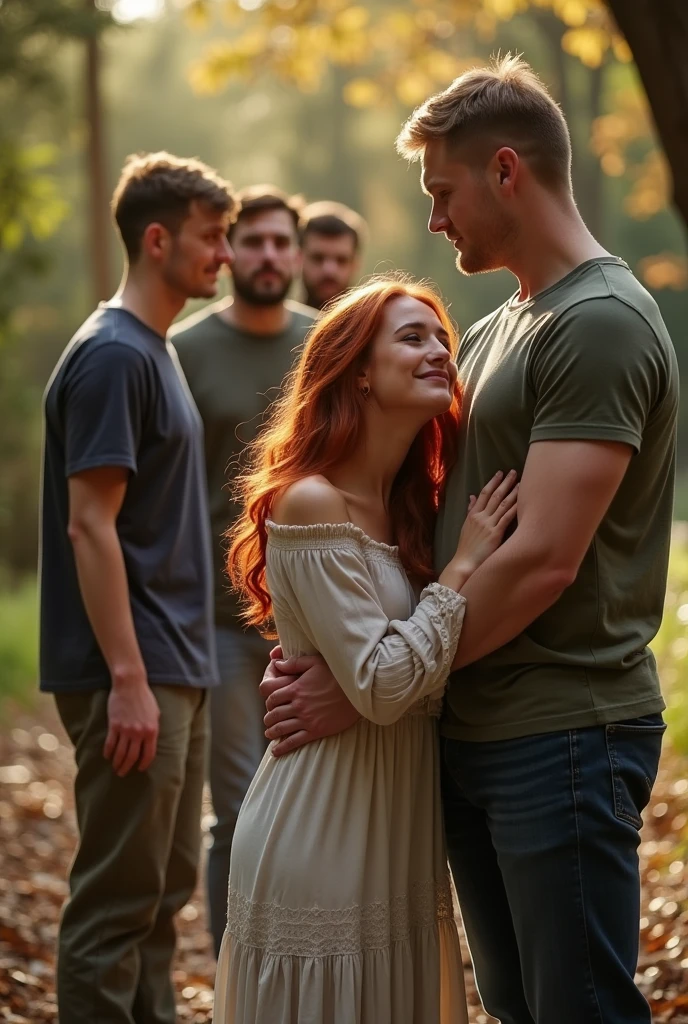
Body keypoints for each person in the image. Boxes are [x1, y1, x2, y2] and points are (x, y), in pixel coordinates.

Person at [258, 56, 679, 1024]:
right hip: (473, 727)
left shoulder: (600, 323)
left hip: (561, 729)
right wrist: (351, 655)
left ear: (504, 171)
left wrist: (377, 689)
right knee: (517, 1006)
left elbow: (541, 557)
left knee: (578, 1007)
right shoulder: (495, 330)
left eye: (442, 192)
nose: (435, 219)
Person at [213, 275, 518, 1023]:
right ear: (356, 370)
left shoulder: (418, 505)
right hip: (323, 826)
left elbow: (409, 679)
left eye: (442, 338)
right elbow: (386, 684)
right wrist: (460, 569)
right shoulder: (313, 501)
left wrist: (363, 690)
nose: (438, 351)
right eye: (412, 337)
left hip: (400, 827)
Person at [39, 151, 236, 1024]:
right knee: (117, 904)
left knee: (161, 893)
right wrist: (125, 676)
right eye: (211, 237)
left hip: (175, 665)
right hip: (137, 668)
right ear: (156, 240)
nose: (223, 256)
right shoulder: (115, 357)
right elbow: (90, 524)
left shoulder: (151, 351)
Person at [172, 185, 317, 955]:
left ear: (296, 254)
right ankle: (237, 971)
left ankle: (303, 960)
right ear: (229, 252)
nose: (266, 256)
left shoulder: (328, 341)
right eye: (251, 241)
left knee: (319, 803)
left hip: (324, 621)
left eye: (279, 243)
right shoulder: (186, 350)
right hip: (227, 627)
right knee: (239, 807)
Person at [300, 199, 367, 309]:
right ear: (298, 258)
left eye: (341, 260)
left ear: (355, 264)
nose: (329, 270)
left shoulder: (375, 325)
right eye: (318, 258)